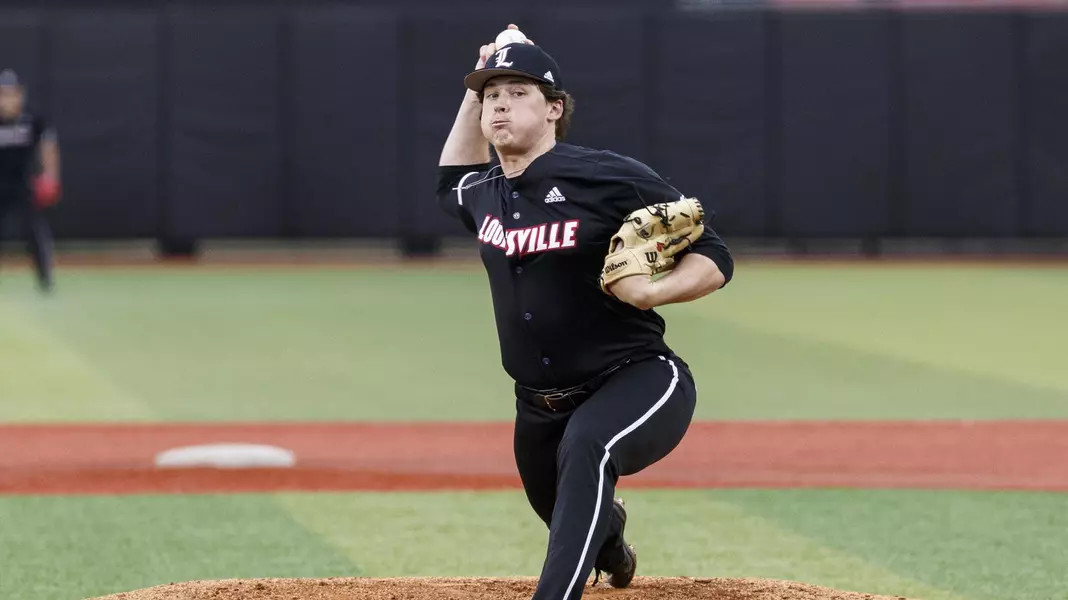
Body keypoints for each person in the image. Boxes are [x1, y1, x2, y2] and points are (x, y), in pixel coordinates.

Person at [436, 26, 734, 600]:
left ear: (553, 109)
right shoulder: (486, 191)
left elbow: (714, 252)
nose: (499, 102)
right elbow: (450, 176)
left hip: (637, 377)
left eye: (516, 92)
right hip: (537, 404)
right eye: (490, 95)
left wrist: (655, 292)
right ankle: (613, 546)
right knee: (558, 499)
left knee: (588, 450)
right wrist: (475, 79)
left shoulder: (604, 175)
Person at [0, 68, 61, 292]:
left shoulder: (32, 119)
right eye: (2, 94)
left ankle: (45, 279)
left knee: (34, 230)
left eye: (11, 93)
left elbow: (48, 145)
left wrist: (50, 176)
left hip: (22, 184)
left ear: (20, 94)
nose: (7, 99)